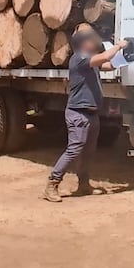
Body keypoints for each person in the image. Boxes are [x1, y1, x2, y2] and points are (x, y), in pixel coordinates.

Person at [43, 24, 128, 202]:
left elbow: (109, 64)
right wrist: (119, 45)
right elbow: (104, 56)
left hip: (91, 115)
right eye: (89, 38)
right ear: (82, 43)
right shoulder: (79, 58)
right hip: (78, 114)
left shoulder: (90, 60)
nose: (93, 41)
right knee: (74, 150)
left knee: (87, 152)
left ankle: (83, 185)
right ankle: (52, 183)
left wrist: (126, 58)